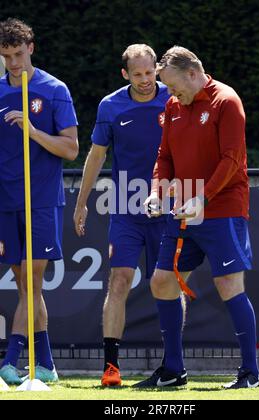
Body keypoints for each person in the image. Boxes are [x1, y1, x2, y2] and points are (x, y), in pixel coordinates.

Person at [134, 46, 259, 389]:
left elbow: (232, 159)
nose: (172, 95)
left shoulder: (226, 101)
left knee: (228, 285)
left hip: (223, 209)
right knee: (162, 281)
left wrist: (202, 198)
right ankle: (173, 370)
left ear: (193, 73)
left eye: (175, 87)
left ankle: (250, 373)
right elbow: (164, 157)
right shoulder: (174, 105)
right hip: (183, 212)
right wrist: (156, 191)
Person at [74, 44, 170, 387]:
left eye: (150, 72)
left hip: (168, 207)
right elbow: (97, 156)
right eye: (138, 74)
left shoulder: (176, 98)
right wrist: (82, 201)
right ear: (125, 74)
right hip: (126, 211)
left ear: (158, 68)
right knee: (119, 281)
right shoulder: (110, 105)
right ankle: (111, 367)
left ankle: (173, 364)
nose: (145, 80)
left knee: (167, 285)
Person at [0, 18, 78, 384]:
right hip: (5, 202)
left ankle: (10, 362)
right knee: (25, 286)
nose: (13, 63)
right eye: (6, 56)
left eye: (18, 54)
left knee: (31, 279)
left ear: (31, 48)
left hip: (41, 200)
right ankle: (45, 364)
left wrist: (33, 132)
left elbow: (71, 149)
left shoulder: (54, 89)